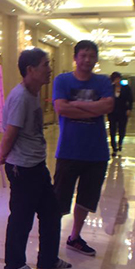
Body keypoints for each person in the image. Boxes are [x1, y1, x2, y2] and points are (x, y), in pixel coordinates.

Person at [0, 48, 71, 269]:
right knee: (22, 216)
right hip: (22, 167)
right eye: (45, 65)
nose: (49, 69)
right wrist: (2, 156)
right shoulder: (20, 97)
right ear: (30, 70)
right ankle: (14, 263)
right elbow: (11, 131)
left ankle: (48, 258)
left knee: (51, 212)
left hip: (36, 164)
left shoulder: (33, 92)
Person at [53, 40, 114, 256]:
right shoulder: (62, 80)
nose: (87, 60)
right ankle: (51, 239)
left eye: (91, 56)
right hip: (69, 150)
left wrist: (76, 105)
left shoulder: (103, 81)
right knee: (59, 199)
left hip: (96, 153)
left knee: (86, 199)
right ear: (75, 58)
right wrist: (94, 108)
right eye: (83, 55)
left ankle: (75, 237)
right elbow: (61, 108)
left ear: (96, 58)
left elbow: (108, 105)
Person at [108, 71, 133, 156]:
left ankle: (120, 143)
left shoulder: (126, 88)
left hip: (123, 111)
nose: (117, 81)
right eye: (115, 79)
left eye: (118, 79)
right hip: (112, 112)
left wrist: (129, 109)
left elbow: (130, 99)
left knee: (122, 129)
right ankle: (113, 147)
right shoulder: (110, 88)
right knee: (112, 129)